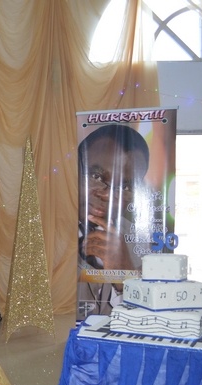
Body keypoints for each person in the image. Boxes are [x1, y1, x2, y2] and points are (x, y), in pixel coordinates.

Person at [77, 123, 151, 319]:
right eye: (96, 176)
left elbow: (150, 319)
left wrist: (125, 274)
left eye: (125, 187)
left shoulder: (143, 244)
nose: (108, 195)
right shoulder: (44, 231)